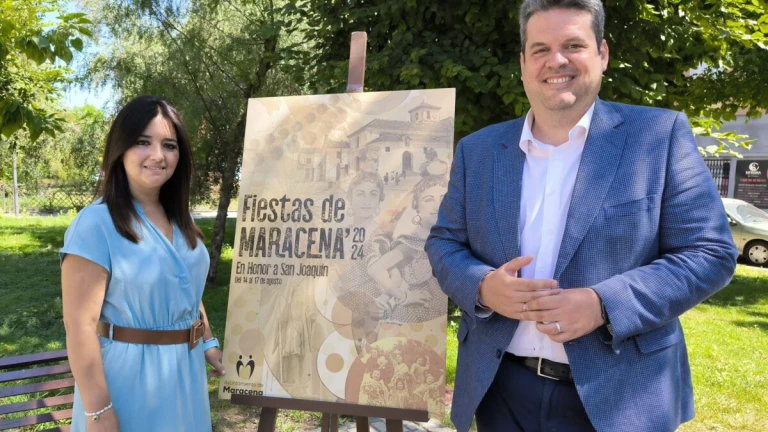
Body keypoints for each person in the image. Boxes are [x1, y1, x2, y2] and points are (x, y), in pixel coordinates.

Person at [424, 1, 738, 431]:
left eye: (573, 45)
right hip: (499, 390)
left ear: (602, 54)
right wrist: (481, 286)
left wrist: (603, 305)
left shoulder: (658, 136)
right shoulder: (477, 151)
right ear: (523, 63)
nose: (556, 60)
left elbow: (710, 252)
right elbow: (444, 242)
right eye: (540, 49)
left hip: (620, 396)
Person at [61, 95, 226, 431]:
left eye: (169, 145)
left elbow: (187, 291)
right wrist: (98, 411)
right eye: (142, 142)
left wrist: (208, 343)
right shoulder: (95, 224)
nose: (157, 155)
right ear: (120, 149)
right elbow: (79, 325)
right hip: (128, 381)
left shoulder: (180, 219)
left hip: (184, 373)